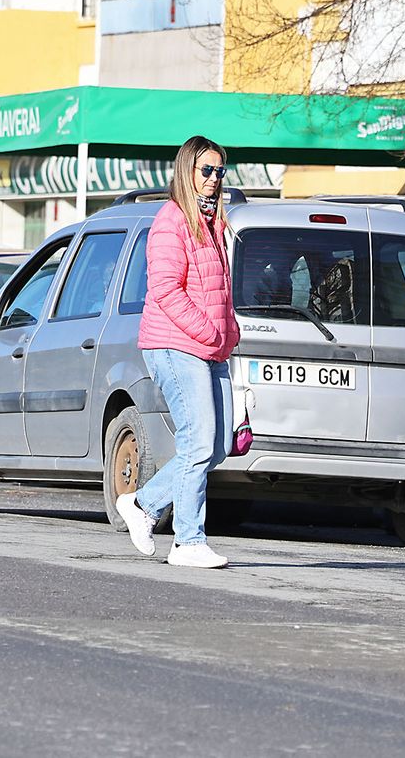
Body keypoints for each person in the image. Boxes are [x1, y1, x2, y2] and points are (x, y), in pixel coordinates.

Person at [116, 135, 240, 568]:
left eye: (219, 171)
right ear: (186, 171)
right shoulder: (172, 220)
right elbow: (165, 290)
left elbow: (216, 290)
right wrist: (208, 330)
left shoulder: (213, 223)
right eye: (206, 170)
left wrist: (230, 330)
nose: (213, 179)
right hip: (175, 344)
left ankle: (143, 505)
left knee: (219, 444)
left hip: (210, 347)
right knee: (198, 441)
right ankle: (188, 540)